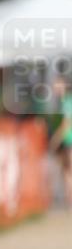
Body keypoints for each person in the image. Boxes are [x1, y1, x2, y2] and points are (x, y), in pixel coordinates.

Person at [47, 76, 72, 212]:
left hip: (69, 141)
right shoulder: (64, 101)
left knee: (69, 172)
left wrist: (56, 139)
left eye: (58, 85)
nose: (55, 88)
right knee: (67, 171)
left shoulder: (67, 101)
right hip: (68, 141)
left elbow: (66, 124)